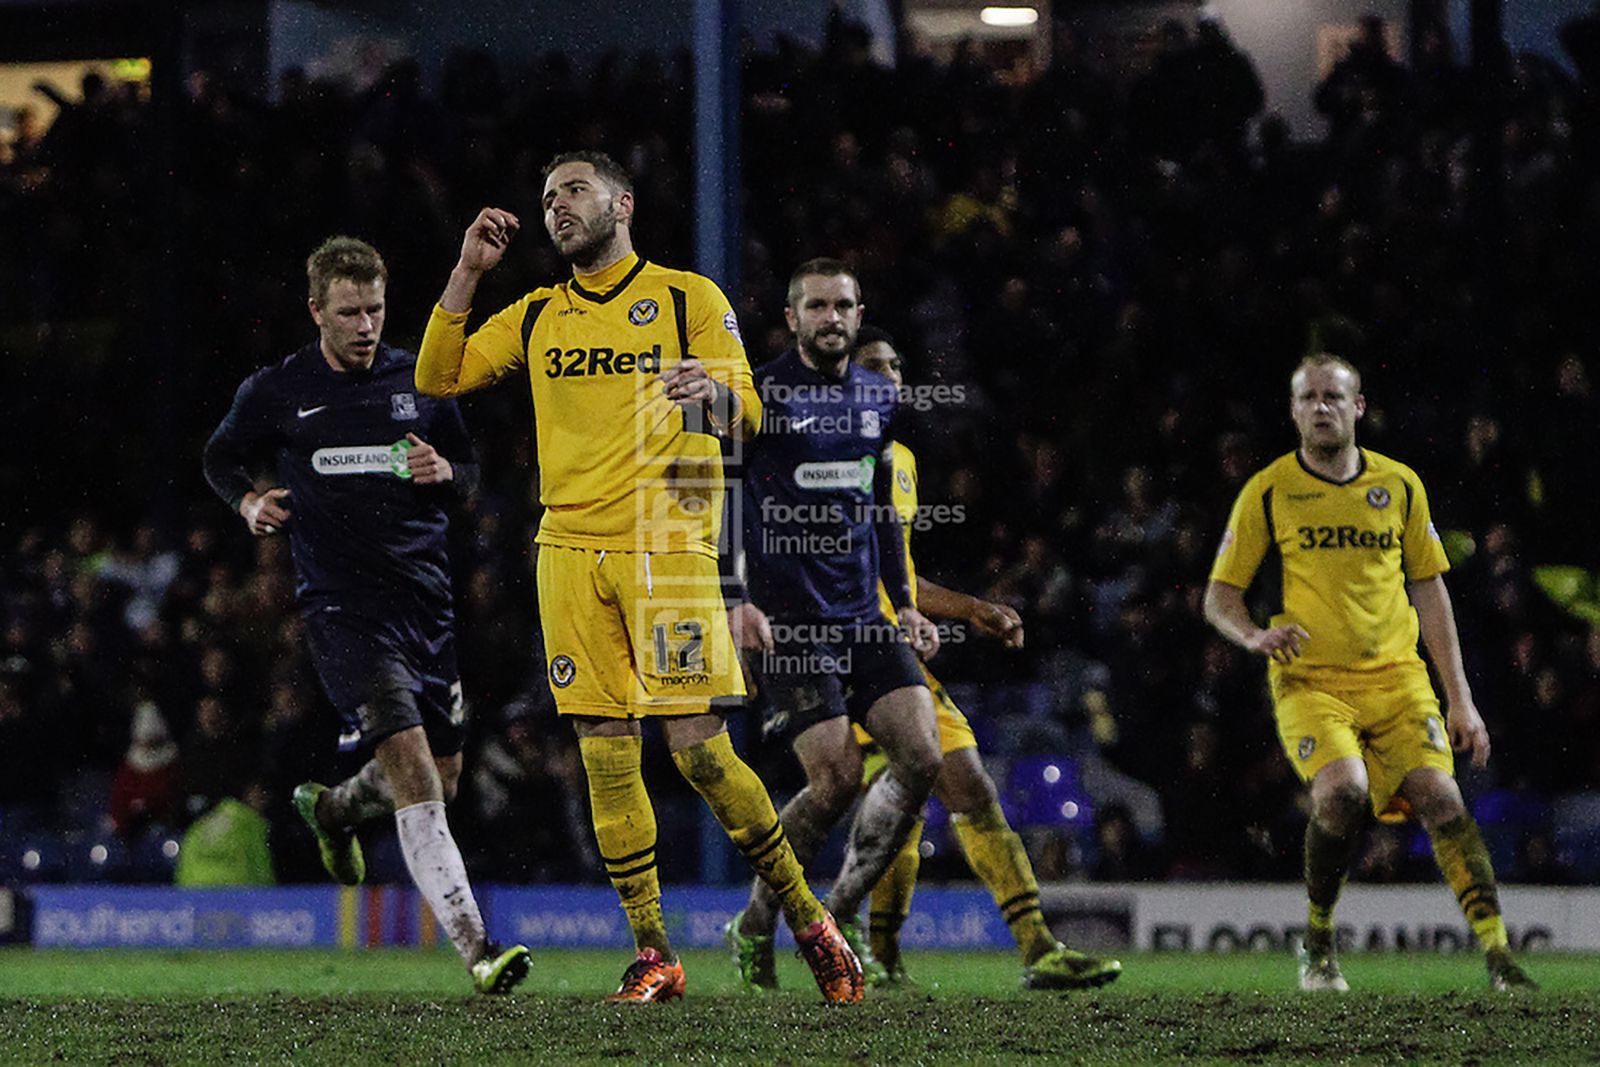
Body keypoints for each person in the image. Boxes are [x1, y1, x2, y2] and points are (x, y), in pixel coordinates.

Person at [413, 151, 861, 1004]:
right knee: (606, 756)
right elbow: (437, 379)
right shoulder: (537, 313)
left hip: (667, 548)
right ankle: (655, 952)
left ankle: (811, 920)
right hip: (568, 552)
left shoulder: (688, 298)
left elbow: (750, 414)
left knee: (702, 756)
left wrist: (712, 393)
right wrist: (467, 272)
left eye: (574, 190)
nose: (557, 206)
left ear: (621, 204)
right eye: (548, 195)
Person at [203, 236, 530, 996]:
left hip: (427, 608)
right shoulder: (280, 390)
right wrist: (246, 501)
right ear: (316, 311)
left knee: (444, 777)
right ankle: (478, 948)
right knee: (414, 767)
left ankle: (337, 811)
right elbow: (220, 456)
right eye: (349, 312)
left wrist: (446, 470)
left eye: (375, 309)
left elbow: (470, 474)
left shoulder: (423, 380)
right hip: (344, 614)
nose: (366, 326)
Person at [1202, 353, 1536, 992]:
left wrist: (1460, 699)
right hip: (1311, 681)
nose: (1320, 407)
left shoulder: (1400, 485)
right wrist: (1253, 635)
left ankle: (1500, 958)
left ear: (1358, 407)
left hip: (1398, 679)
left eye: (1333, 396)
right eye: (1308, 398)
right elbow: (1219, 596)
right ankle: (1318, 942)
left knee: (1443, 797)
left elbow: (1430, 590)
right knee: (1342, 792)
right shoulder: (1269, 490)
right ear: (1293, 411)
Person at [847, 327, 1122, 990]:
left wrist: (970, 609)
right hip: (845, 652)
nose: (889, 378)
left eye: (895, 367)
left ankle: (1038, 948)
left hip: (896, 654)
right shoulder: (818, 455)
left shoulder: (901, 461)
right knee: (899, 803)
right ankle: (869, 951)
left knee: (968, 784)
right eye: (872, 367)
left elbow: (897, 572)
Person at [722, 261, 944, 990]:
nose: (832, 317)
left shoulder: (877, 396)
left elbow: (880, 510)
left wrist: (904, 603)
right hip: (788, 623)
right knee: (836, 779)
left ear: (858, 312)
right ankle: (758, 919)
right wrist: (734, 597)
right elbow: (722, 491)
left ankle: (837, 912)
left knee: (923, 756)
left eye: (843, 305)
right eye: (817, 306)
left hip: (863, 617)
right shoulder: (761, 393)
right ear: (792, 318)